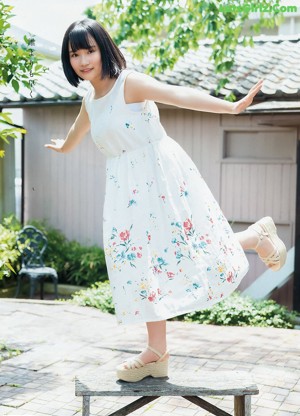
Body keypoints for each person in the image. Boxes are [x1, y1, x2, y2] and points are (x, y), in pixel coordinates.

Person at [45, 18, 287, 383]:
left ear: (104, 49)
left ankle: (254, 237)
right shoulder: (91, 99)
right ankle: (157, 352)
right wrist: (64, 147)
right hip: (123, 188)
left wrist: (231, 107)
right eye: (74, 54)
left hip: (157, 174)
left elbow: (179, 94)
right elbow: (80, 128)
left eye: (89, 50)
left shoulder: (129, 83)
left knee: (177, 249)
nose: (82, 60)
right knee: (137, 261)